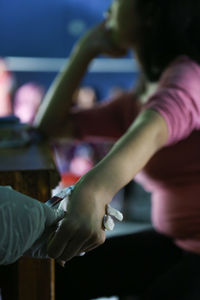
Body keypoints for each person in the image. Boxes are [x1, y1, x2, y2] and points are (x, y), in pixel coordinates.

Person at [33, 0, 200, 299]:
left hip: (191, 249)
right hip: (178, 241)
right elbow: (50, 127)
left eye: (116, 2)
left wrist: (93, 191)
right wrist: (84, 51)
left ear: (149, 13)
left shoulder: (188, 76)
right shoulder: (141, 96)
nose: (107, 12)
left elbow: (152, 130)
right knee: (53, 276)